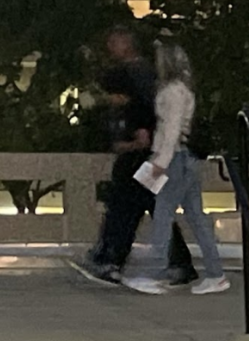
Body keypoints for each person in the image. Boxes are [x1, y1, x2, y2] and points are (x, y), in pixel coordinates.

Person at [84, 27, 196, 285]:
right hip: (146, 153)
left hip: (140, 154)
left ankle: (110, 258)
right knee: (147, 203)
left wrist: (137, 133)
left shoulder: (136, 74)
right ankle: (177, 261)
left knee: (126, 203)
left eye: (115, 41)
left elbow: (143, 107)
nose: (111, 46)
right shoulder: (143, 74)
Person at [124, 43, 229, 295]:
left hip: (174, 159)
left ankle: (155, 273)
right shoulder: (184, 90)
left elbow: (169, 130)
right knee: (196, 218)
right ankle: (215, 273)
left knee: (163, 216)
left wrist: (161, 161)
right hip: (185, 158)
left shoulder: (172, 92)